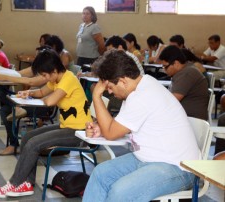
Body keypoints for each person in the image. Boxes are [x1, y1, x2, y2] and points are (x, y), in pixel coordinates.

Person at [82, 50, 200, 201]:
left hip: (179, 168)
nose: (109, 92)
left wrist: (96, 96)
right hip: (147, 159)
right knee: (100, 174)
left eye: (110, 87)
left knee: (120, 192)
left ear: (123, 81)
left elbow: (111, 133)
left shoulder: (143, 96)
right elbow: (116, 127)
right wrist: (102, 128)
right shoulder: (142, 84)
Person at [0, 48, 92, 198]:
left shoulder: (68, 79)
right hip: (67, 126)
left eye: (45, 75)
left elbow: (50, 101)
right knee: (27, 138)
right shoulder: (57, 78)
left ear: (53, 70)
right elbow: (41, 93)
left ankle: (14, 184)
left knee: (34, 144)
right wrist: (29, 93)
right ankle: (27, 183)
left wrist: (37, 98)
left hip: (79, 131)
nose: (45, 78)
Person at [159, 45, 208, 120]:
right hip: (184, 117)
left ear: (176, 63)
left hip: (192, 120)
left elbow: (171, 101)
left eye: (165, 66)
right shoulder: (184, 70)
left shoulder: (187, 73)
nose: (164, 70)